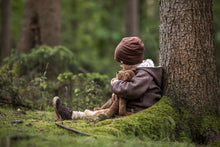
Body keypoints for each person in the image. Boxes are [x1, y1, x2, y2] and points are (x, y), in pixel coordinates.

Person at [53, 37, 163, 121]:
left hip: (135, 112)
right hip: (129, 108)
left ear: (130, 61)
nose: (121, 66)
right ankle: (71, 114)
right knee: (102, 112)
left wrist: (117, 83)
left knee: (101, 115)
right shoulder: (140, 73)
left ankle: (72, 116)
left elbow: (130, 90)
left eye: (122, 63)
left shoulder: (145, 75)